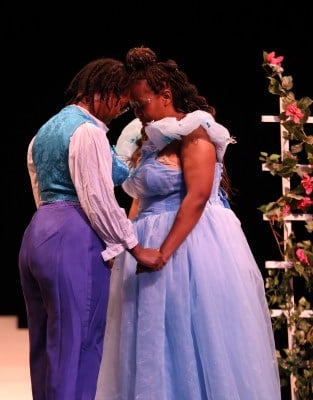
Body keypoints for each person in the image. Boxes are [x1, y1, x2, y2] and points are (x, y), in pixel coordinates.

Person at [95, 47, 281, 399]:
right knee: (152, 341)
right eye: (132, 107)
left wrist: (163, 252)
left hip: (189, 249)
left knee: (191, 334)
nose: (137, 113)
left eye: (142, 104)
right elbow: (140, 199)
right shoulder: (149, 142)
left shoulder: (196, 134)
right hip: (147, 250)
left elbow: (196, 197)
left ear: (166, 95)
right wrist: (124, 248)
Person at [18, 57, 165, 400]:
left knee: (46, 342)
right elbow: (97, 198)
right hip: (72, 234)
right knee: (79, 340)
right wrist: (131, 246)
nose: (120, 109)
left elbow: (39, 187)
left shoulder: (45, 130)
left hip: (38, 232)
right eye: (120, 101)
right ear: (103, 93)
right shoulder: (86, 131)